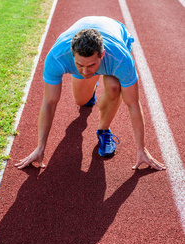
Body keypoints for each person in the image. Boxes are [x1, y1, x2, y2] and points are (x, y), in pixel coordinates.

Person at [15, 16, 166, 170]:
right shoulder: (56, 57)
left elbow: (133, 103)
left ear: (102, 55)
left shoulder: (120, 59)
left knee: (114, 86)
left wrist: (142, 149)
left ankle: (104, 130)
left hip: (114, 39)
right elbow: (49, 102)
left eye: (91, 65)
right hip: (89, 48)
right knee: (81, 101)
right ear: (72, 54)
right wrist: (40, 147)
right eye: (79, 65)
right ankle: (92, 90)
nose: (85, 71)